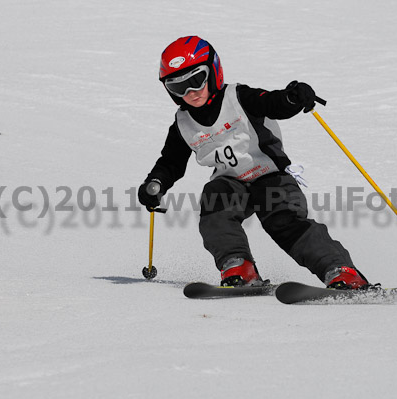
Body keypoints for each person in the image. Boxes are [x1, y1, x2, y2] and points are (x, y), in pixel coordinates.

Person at [138, 35, 370, 289]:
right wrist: (156, 182)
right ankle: (239, 267)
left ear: (213, 71)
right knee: (214, 202)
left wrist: (292, 98)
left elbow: (271, 103)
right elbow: (171, 161)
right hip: (231, 182)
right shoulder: (183, 123)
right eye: (177, 87)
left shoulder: (238, 97)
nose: (190, 92)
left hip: (270, 176)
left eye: (196, 80)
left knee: (284, 221)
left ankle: (340, 271)